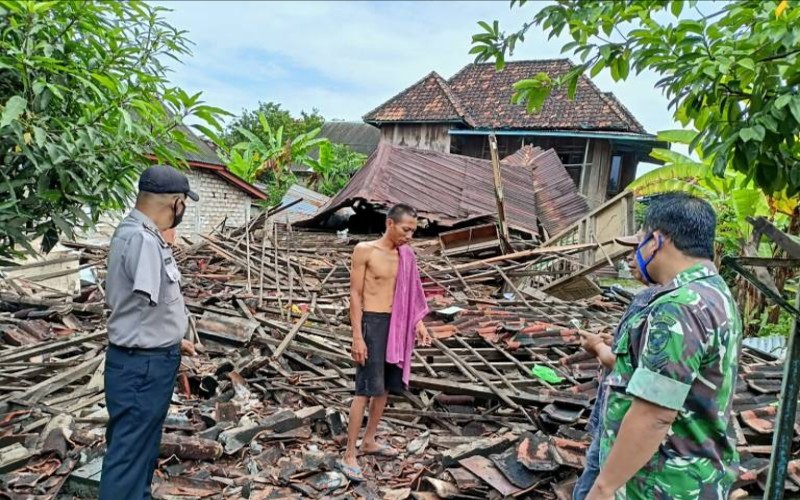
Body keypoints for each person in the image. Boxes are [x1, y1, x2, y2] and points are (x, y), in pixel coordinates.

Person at [586, 193, 742, 500]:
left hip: (660, 483)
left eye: (641, 239)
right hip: (694, 477)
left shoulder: (677, 308)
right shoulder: (716, 293)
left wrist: (604, 488)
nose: (636, 251)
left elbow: (655, 414)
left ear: (656, 241)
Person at [100, 165, 198, 499]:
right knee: (128, 455)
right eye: (184, 204)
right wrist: (167, 336)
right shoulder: (142, 239)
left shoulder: (135, 232)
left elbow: (139, 308)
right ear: (176, 202)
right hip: (142, 365)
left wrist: (176, 338)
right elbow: (145, 302)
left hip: (144, 360)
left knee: (139, 448)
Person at [339, 203, 431, 482]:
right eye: (406, 229)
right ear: (390, 224)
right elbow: (355, 295)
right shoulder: (365, 251)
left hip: (399, 324)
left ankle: (369, 441)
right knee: (365, 388)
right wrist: (357, 336)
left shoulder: (407, 255)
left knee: (385, 389)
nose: (409, 236)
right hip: (373, 323)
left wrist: (418, 323)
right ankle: (349, 454)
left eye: (413, 231)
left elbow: (411, 293)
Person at [572, 238, 657, 500]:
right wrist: (614, 341)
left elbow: (625, 365)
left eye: (636, 251)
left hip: (623, 413)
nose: (631, 259)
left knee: (597, 474)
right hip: (619, 410)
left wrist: (597, 346)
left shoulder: (652, 300)